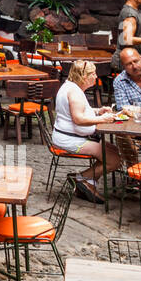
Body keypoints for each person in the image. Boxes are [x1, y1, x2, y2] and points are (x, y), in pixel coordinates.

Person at [50, 59, 122, 203]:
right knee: (115, 160)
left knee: (114, 151)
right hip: (70, 139)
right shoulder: (74, 93)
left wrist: (98, 111)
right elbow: (78, 119)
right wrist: (103, 119)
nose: (96, 76)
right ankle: (80, 179)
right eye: (93, 74)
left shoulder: (71, 87)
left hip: (71, 136)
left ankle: (88, 184)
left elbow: (78, 112)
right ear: (83, 77)